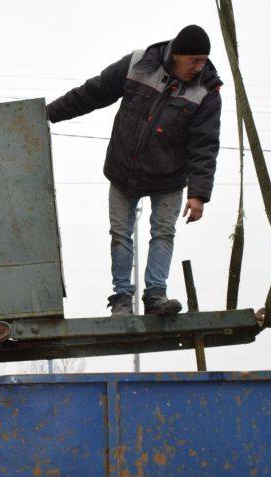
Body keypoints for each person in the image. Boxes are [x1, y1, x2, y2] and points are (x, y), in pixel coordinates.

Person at [47, 25, 222, 316]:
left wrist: (199, 194)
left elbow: (205, 145)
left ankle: (155, 297)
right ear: (176, 54)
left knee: (163, 233)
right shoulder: (139, 65)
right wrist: (48, 114)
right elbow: (93, 92)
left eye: (204, 59)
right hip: (124, 169)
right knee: (120, 233)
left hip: (170, 175)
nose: (200, 66)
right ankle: (122, 298)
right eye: (194, 59)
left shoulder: (207, 91)